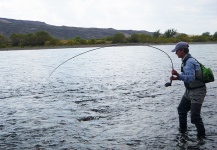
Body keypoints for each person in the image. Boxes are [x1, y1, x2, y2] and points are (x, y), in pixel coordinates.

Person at [170, 41, 206, 139]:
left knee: (195, 117)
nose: (175, 53)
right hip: (189, 90)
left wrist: (179, 75)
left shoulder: (189, 62)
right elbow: (188, 77)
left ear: (182, 50)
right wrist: (177, 77)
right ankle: (183, 133)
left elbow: (190, 78)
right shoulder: (185, 60)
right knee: (181, 110)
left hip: (198, 91)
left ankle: (202, 138)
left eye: (176, 51)